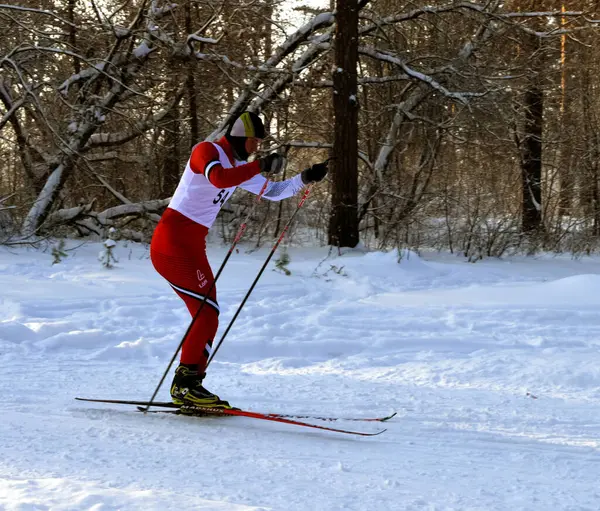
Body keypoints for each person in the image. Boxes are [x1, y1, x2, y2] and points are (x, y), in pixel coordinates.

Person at [150, 111, 329, 410]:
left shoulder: (239, 165)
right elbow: (217, 178)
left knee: (208, 313)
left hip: (192, 246)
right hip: (172, 243)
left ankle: (190, 383)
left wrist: (305, 178)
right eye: (254, 142)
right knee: (206, 313)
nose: (257, 148)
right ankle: (185, 385)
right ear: (239, 137)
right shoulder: (207, 151)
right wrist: (259, 166)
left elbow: (271, 191)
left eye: (259, 144)